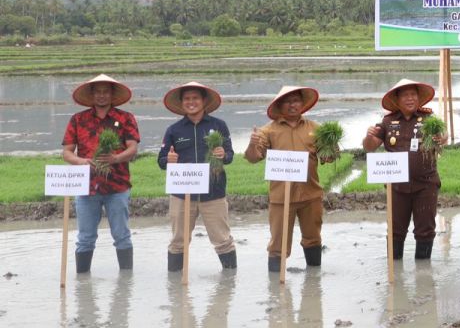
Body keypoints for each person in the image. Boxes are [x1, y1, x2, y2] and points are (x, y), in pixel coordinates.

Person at [244, 85, 328, 272]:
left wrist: (332, 147)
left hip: (311, 194)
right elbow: (252, 158)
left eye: (296, 100)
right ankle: (276, 287)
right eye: (287, 102)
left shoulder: (315, 128)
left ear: (302, 104)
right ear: (280, 106)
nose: (292, 105)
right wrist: (252, 144)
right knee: (277, 244)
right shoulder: (268, 131)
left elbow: (327, 157)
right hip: (281, 198)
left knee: (313, 237)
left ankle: (314, 281)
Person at [62, 74, 141, 273]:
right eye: (98, 92)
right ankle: (82, 280)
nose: (102, 96)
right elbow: (67, 152)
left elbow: (133, 149)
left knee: (121, 234)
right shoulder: (78, 119)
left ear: (112, 95)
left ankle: (126, 281)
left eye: (106, 92)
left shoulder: (125, 118)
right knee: (85, 237)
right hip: (86, 187)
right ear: (92, 95)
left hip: (118, 185)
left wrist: (115, 158)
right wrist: (82, 161)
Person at [158, 82, 237, 271]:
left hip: (214, 192)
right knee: (178, 241)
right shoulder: (174, 130)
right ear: (182, 103)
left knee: (223, 239)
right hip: (181, 194)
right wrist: (168, 159)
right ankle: (176, 288)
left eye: (195, 98)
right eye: (187, 99)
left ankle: (229, 284)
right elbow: (161, 161)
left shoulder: (219, 125)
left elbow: (230, 155)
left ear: (203, 101)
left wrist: (223, 155)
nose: (191, 102)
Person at [363, 78, 444, 260]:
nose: (410, 99)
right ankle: (395, 273)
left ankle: (423, 274)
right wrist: (369, 136)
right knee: (395, 230)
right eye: (405, 95)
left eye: (413, 95)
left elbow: (443, 135)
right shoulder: (387, 121)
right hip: (397, 187)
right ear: (397, 100)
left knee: (425, 230)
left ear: (419, 98)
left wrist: (442, 137)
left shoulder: (429, 119)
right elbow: (370, 146)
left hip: (426, 185)